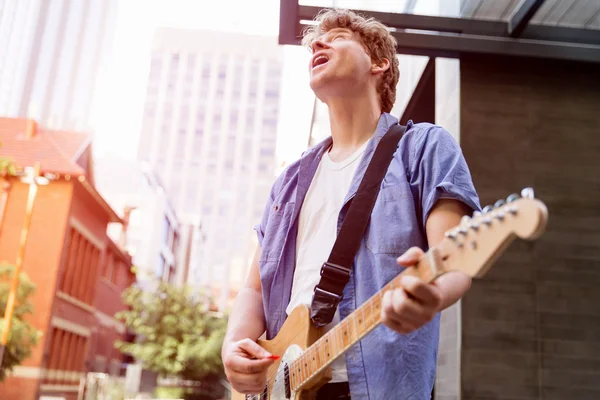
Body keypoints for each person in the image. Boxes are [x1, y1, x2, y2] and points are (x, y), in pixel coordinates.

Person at [221, 8, 480, 400]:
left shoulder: (424, 146)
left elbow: (454, 257)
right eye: (314, 42)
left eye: (338, 36)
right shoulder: (288, 182)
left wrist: (434, 297)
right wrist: (234, 344)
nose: (319, 43)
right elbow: (254, 289)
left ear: (379, 63)